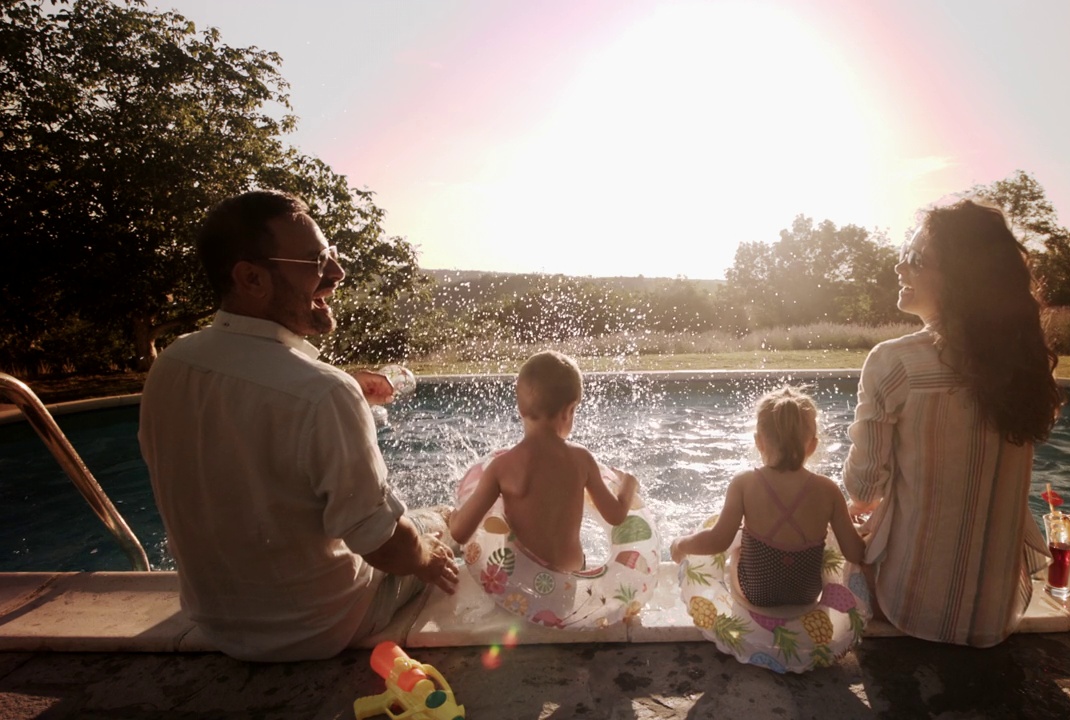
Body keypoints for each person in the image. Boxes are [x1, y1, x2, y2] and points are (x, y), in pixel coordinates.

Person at [138, 189, 458, 662]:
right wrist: (430, 556)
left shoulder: (171, 366)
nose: (336, 272)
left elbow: (241, 423)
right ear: (251, 278)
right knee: (442, 521)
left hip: (217, 622)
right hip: (320, 626)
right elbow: (383, 546)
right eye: (315, 261)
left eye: (330, 255)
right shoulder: (323, 394)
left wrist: (342, 388)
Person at [843, 199, 1062, 648]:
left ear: (959, 277)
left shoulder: (895, 361)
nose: (900, 268)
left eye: (915, 259)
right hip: (997, 615)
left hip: (909, 608)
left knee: (816, 530)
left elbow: (864, 488)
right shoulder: (1025, 363)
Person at [670, 385, 865, 607]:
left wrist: (680, 544)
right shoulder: (828, 490)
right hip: (806, 594)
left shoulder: (744, 484)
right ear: (812, 445)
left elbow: (716, 541)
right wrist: (868, 531)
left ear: (759, 441)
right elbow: (854, 553)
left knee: (736, 542)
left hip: (755, 591)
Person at [448, 350, 638, 573]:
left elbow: (460, 533)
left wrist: (453, 517)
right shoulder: (581, 459)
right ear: (569, 411)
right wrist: (629, 484)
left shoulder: (501, 468)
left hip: (519, 583)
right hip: (569, 578)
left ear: (520, 409)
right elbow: (616, 515)